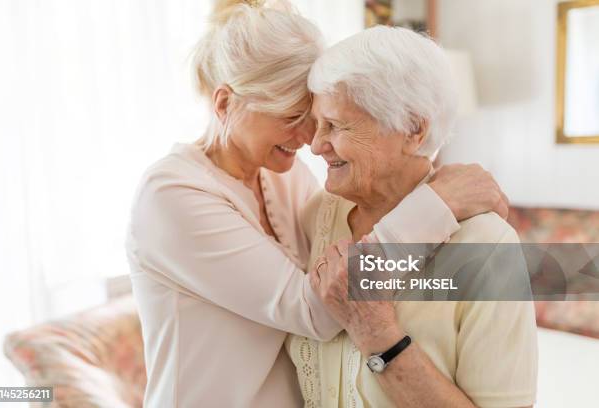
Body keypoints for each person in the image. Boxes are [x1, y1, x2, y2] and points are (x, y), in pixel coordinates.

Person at [126, 1, 510, 406]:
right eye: (291, 116)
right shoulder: (170, 196)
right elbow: (321, 309)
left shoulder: (282, 174)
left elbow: (343, 242)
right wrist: (438, 203)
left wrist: (433, 186)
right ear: (225, 104)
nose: (309, 138)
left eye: (313, 115)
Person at [289, 25, 538, 408]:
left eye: (336, 125)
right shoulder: (312, 216)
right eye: (317, 124)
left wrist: (376, 333)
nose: (317, 144)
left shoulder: (486, 246)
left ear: (412, 129)